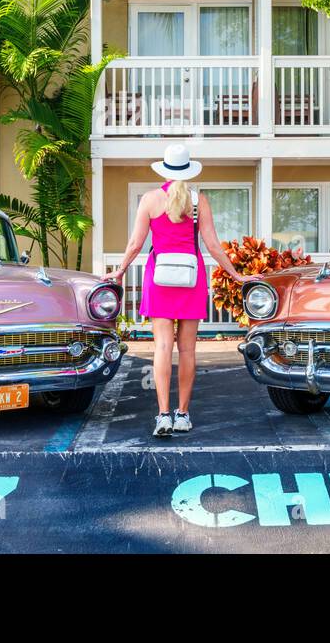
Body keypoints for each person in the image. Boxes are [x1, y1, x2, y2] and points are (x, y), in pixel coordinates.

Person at [104, 144, 252, 438]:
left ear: (164, 169)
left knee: (161, 347)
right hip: (191, 280)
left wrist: (120, 270)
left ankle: (162, 416)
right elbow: (212, 245)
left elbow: (135, 244)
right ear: (188, 170)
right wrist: (236, 274)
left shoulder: (149, 199)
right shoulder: (199, 202)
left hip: (159, 280)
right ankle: (183, 414)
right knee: (187, 350)